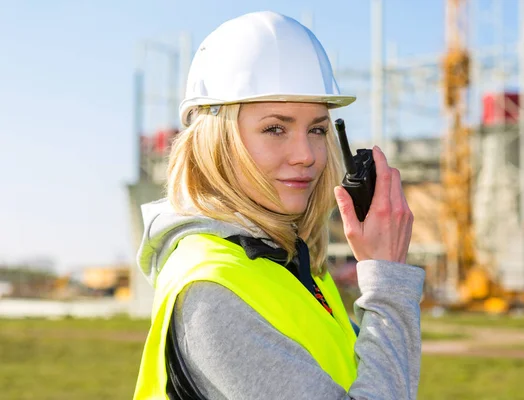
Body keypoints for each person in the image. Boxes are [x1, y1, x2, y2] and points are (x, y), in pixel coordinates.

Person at [133, 11, 424, 400]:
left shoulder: (287, 264)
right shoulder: (212, 289)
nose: (306, 154)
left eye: (317, 129)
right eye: (275, 128)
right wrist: (387, 281)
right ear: (216, 140)